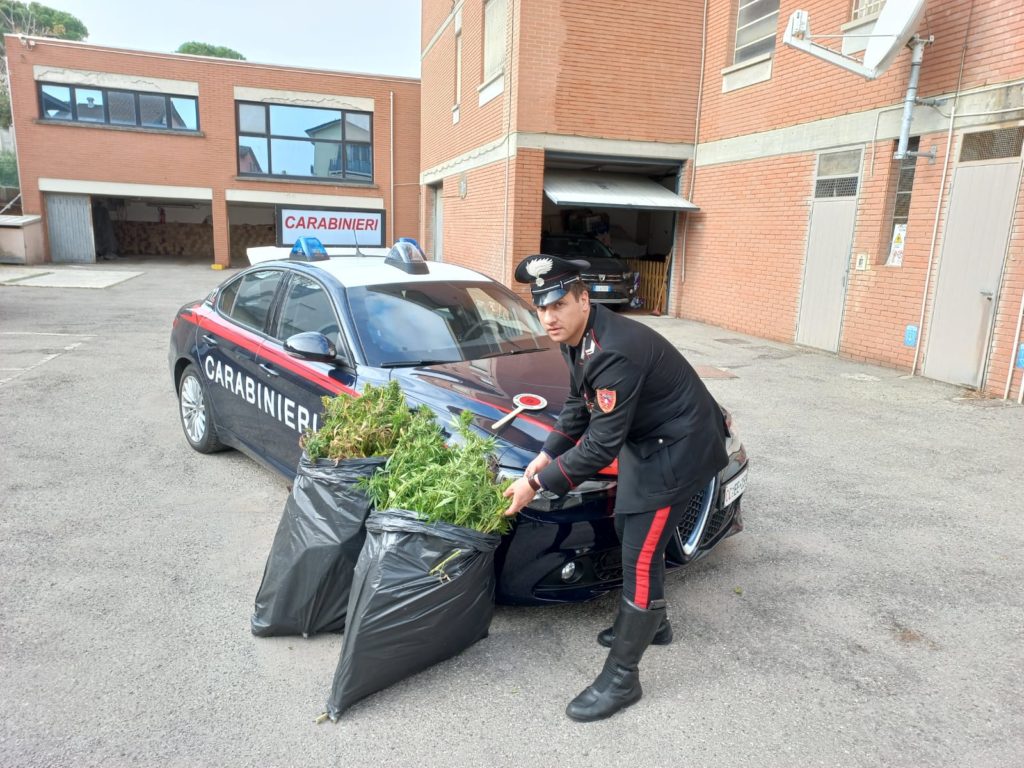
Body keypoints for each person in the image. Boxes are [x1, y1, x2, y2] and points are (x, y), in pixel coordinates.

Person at [503, 254, 729, 722]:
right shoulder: (578, 337)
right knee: (631, 531)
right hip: (652, 442)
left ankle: (623, 678)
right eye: (541, 306)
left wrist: (537, 486)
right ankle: (655, 624)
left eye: (559, 304)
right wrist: (545, 455)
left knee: (641, 554)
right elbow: (577, 405)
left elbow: (601, 446)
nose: (548, 317)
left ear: (584, 300)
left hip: (680, 448)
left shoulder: (613, 350)